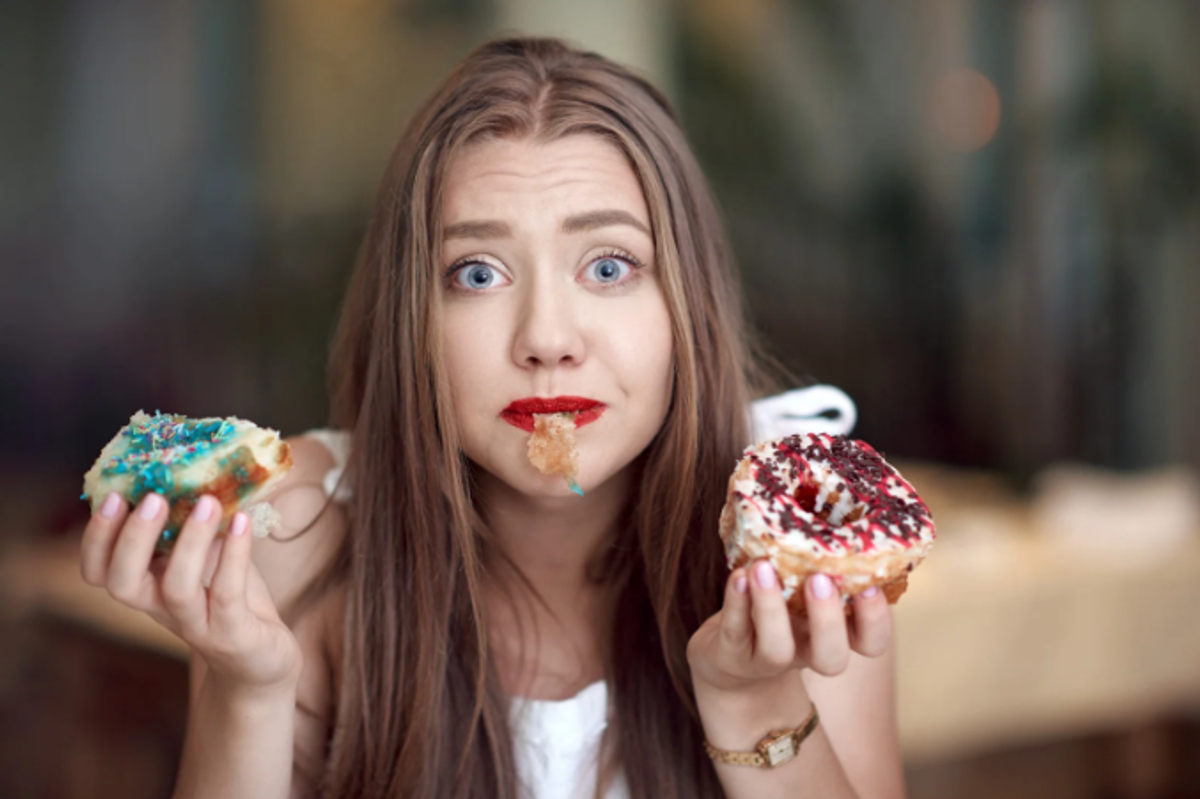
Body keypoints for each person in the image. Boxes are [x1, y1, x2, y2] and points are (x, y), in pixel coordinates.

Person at [79, 37, 905, 799]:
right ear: (411, 319)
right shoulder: (293, 537)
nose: (546, 337)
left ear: (688, 302)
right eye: (477, 272)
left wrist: (755, 701)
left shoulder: (799, 556)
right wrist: (248, 689)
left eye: (609, 266)